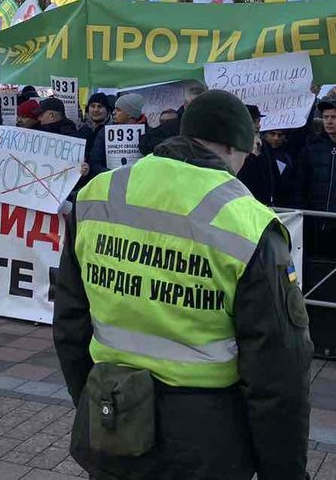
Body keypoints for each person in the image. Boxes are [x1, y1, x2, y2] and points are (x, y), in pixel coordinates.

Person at [53, 89, 313, 479]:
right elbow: (279, 370)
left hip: (113, 412)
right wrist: (285, 472)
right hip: (205, 433)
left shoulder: (98, 194)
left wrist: (93, 404)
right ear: (231, 145)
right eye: (246, 154)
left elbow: (70, 324)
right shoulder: (247, 221)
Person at [86, 93, 146, 180]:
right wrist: (112, 174)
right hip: (110, 182)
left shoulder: (148, 133)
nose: (113, 112)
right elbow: (95, 163)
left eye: (118, 110)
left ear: (129, 114)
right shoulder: (105, 132)